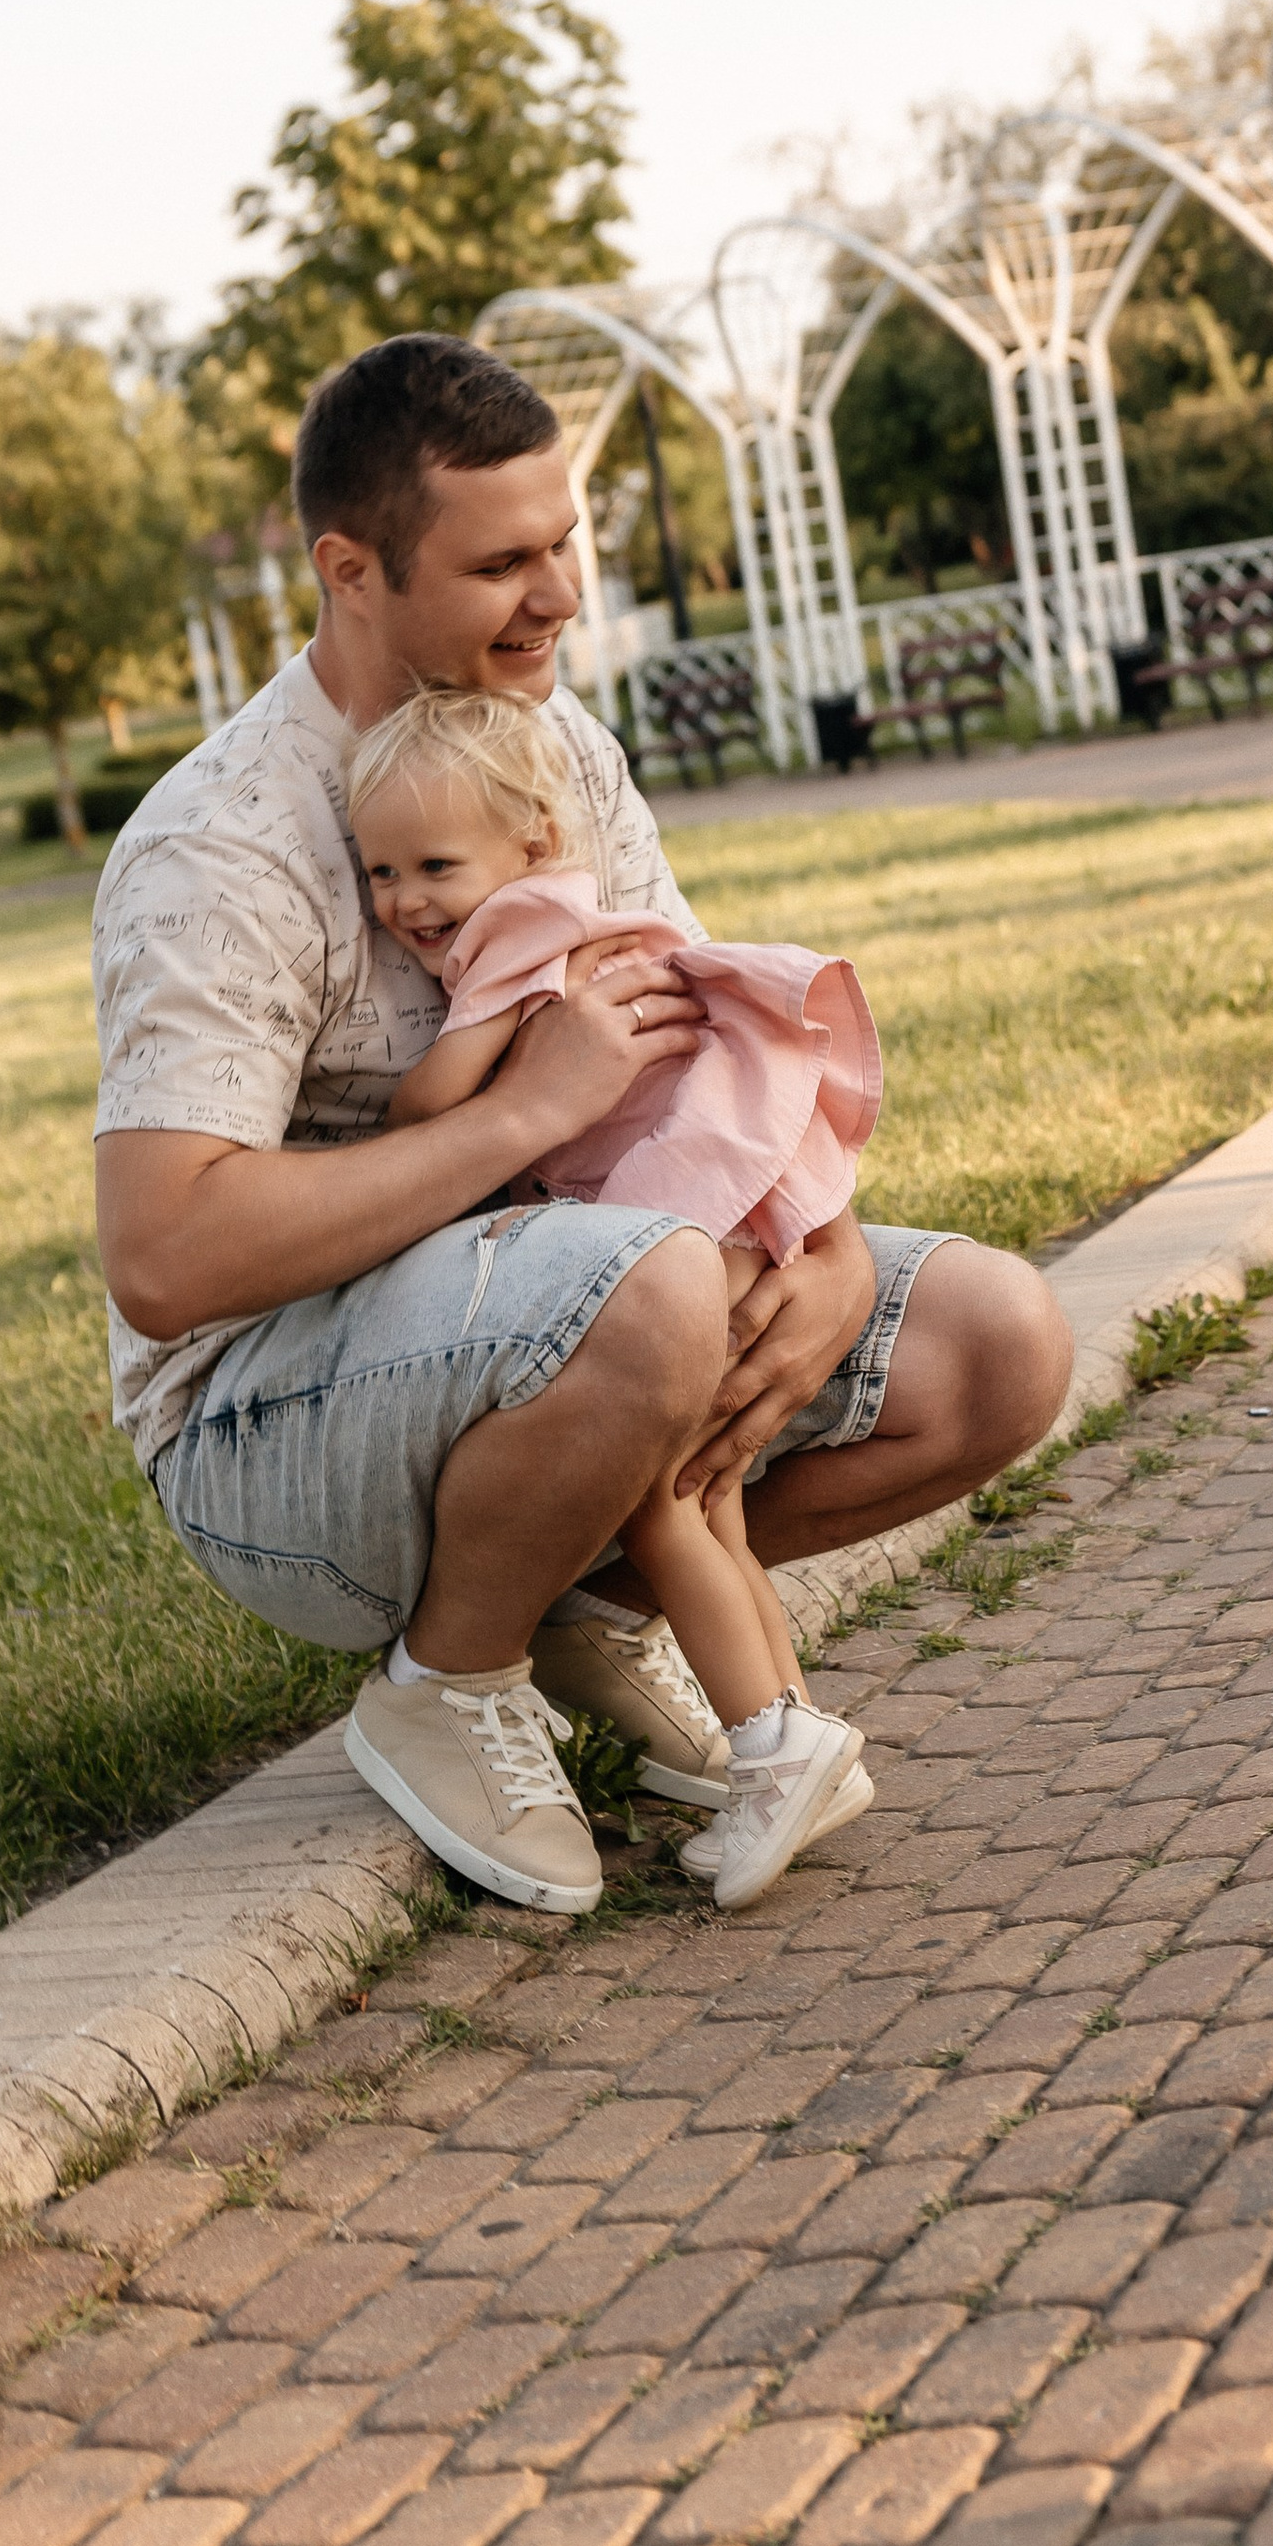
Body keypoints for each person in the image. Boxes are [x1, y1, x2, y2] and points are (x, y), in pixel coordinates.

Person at [91, 330, 1072, 1920]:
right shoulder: (223, 847)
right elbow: (164, 1257)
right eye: (502, 565)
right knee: (657, 1285)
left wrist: (818, 1250)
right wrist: (523, 1115)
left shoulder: (562, 755)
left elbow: (708, 1044)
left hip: (572, 1307)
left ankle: (572, 1603)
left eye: (565, 548)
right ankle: (446, 1679)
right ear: (351, 569)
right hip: (267, 1426)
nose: (558, 600)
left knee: (999, 1342)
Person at [345, 679, 878, 1908]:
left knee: (657, 1505)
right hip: (731, 1193)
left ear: (529, 848)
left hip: (675, 1206)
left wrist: (389, 1109)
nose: (406, 903)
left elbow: (437, 1103)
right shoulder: (580, 916)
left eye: (432, 864)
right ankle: (791, 1735)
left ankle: (771, 1746)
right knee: (709, 1491)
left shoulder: (519, 937)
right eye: (379, 874)